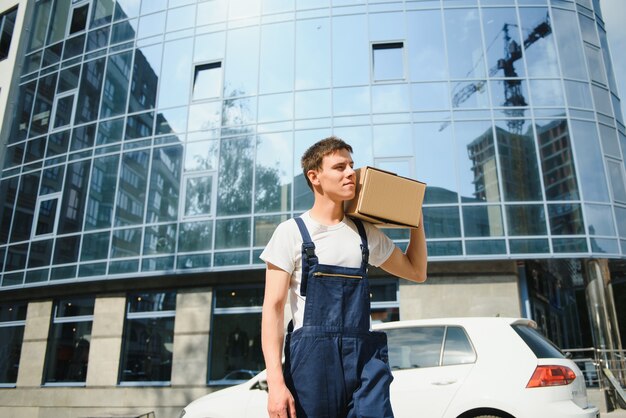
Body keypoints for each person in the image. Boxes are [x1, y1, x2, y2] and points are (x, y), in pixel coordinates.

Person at [260, 136, 427, 418]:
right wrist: (276, 385)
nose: (351, 172)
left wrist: (414, 217)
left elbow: (416, 271)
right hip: (312, 365)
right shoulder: (291, 233)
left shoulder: (365, 235)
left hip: (363, 361)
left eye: (351, 165)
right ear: (315, 177)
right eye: (339, 167)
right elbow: (273, 309)